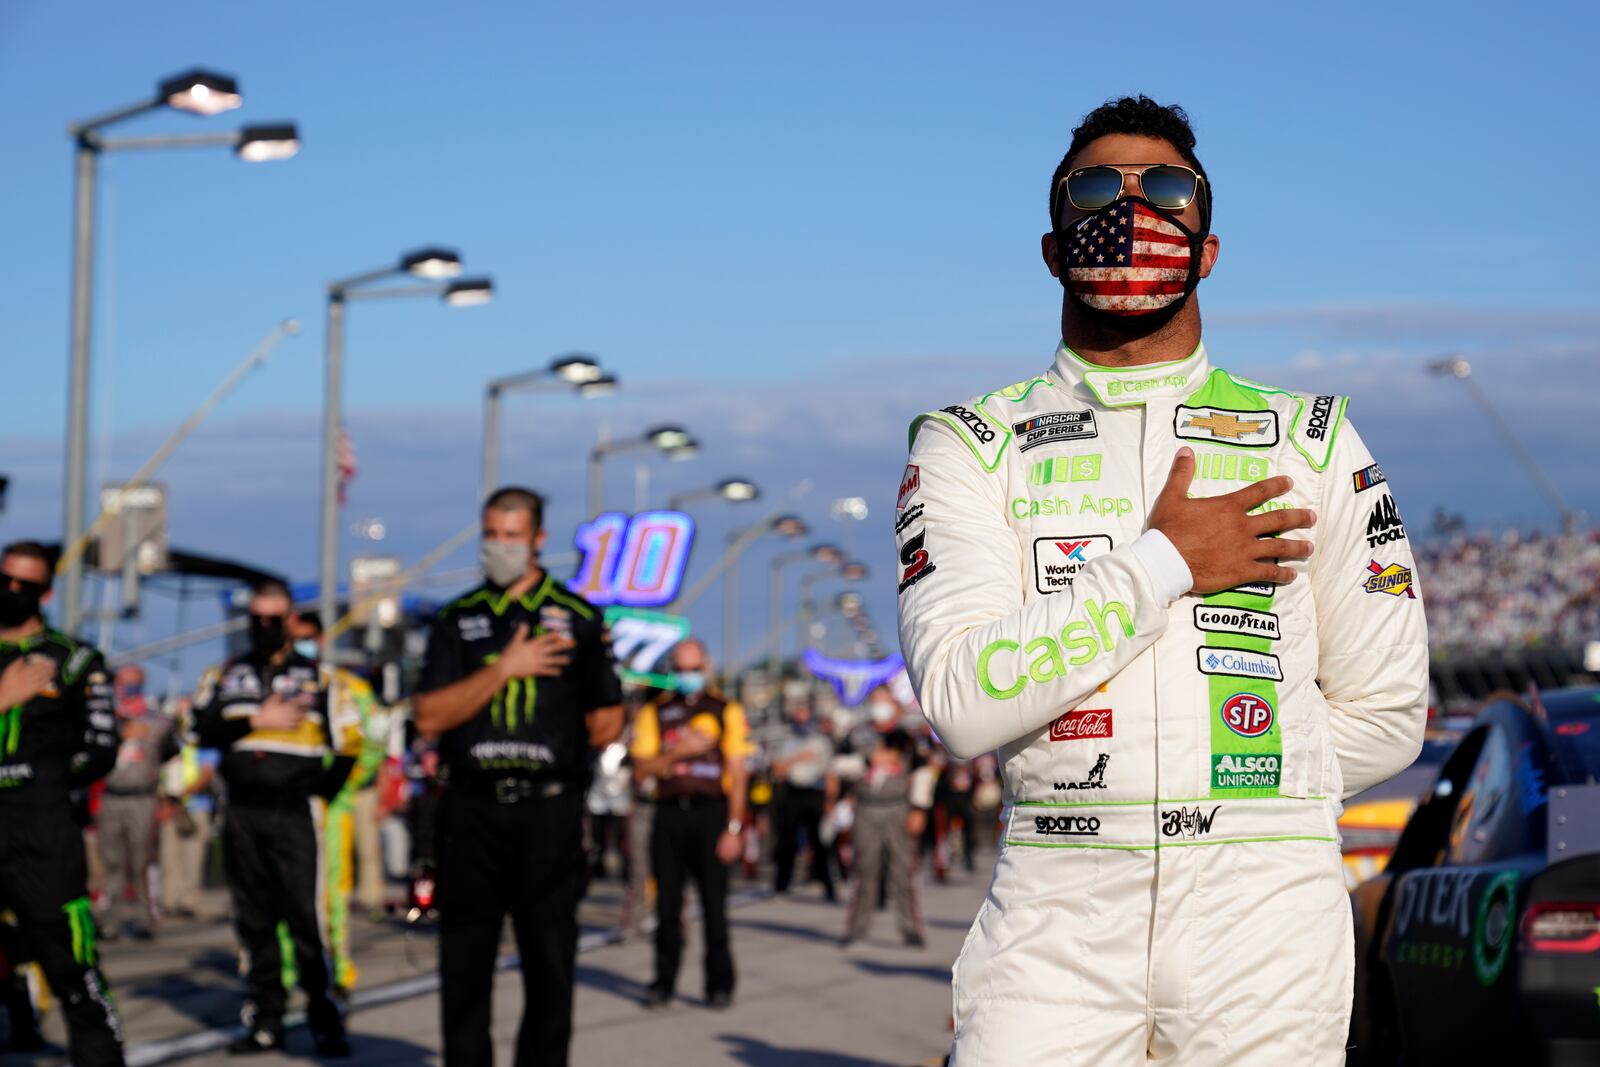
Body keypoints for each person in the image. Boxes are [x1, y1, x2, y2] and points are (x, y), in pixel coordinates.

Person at [894, 96, 1429, 1064]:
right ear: (1053, 248)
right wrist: (1168, 561)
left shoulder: (1311, 439)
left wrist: (1235, 794)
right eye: (1095, 188)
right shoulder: (970, 443)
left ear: (1208, 247)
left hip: (1264, 911)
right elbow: (964, 701)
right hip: (1056, 906)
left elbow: (1389, 713)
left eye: (1166, 188)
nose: (1131, 207)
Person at [413, 487, 623, 1067]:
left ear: (537, 540)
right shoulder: (457, 619)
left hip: (548, 811)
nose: (499, 547)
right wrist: (506, 669)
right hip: (472, 808)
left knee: (550, 965)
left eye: (511, 536)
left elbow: (607, 723)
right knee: (464, 968)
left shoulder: (580, 618)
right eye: (491, 535)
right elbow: (429, 716)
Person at [193, 579, 357, 1056]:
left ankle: (326, 1018)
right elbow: (196, 729)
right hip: (242, 812)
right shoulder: (224, 675)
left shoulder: (321, 677)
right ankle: (265, 1019)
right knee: (253, 922)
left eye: (274, 619)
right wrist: (252, 721)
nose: (264, 627)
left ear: (290, 620)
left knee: (308, 922)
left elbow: (349, 745)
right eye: (256, 619)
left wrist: (320, 794)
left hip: (295, 813)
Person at [0, 541, 125, 1066]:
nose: (11, 592)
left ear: (45, 592)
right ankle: (19, 1017)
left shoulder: (74, 660)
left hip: (41, 826)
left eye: (25, 585)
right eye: (4, 578)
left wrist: (44, 777)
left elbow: (100, 749)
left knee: (70, 959)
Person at [629, 639, 753, 1010]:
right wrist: (679, 752)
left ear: (706, 669)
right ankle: (663, 982)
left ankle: (719, 985)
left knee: (715, 907)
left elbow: (738, 772)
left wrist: (734, 828)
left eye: (694, 669)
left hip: (711, 813)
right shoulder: (656, 712)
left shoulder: (724, 709)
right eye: (681, 670)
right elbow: (640, 769)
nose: (688, 677)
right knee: (667, 906)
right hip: (668, 814)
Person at [286, 610, 386, 995]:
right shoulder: (273, 684)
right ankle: (287, 971)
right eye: (295, 637)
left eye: (309, 637)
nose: (302, 645)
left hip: (331, 806)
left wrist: (341, 786)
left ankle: (336, 968)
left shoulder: (349, 687)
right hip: (283, 805)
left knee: (330, 892)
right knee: (282, 893)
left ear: (322, 640)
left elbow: (374, 741)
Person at [97, 665, 173, 941]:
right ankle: (111, 921)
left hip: (142, 797)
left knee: (142, 860)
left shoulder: (158, 722)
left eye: (134, 684)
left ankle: (145, 919)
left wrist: (168, 798)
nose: (128, 690)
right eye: (123, 684)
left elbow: (171, 757)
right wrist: (120, 735)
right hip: (112, 796)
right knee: (112, 861)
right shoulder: (105, 718)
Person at [840, 728, 926, 947]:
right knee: (864, 871)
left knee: (904, 873)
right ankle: (856, 929)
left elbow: (923, 773)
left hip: (898, 812)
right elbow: (838, 765)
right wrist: (868, 760)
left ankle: (911, 929)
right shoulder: (861, 738)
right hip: (867, 811)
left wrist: (919, 808)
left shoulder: (905, 741)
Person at [157, 699, 218, 920]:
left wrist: (182, 794)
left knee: (192, 857)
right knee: (169, 857)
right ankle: (169, 901)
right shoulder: (167, 742)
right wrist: (166, 799)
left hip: (195, 805)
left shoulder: (203, 741)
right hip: (169, 806)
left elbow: (207, 774)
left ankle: (188, 902)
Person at [769, 704, 835, 899]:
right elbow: (777, 771)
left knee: (819, 842)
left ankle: (826, 884)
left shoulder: (821, 741)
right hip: (792, 793)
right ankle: (781, 885)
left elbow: (830, 773)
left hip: (814, 793)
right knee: (787, 841)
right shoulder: (785, 740)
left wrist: (830, 802)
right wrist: (798, 757)